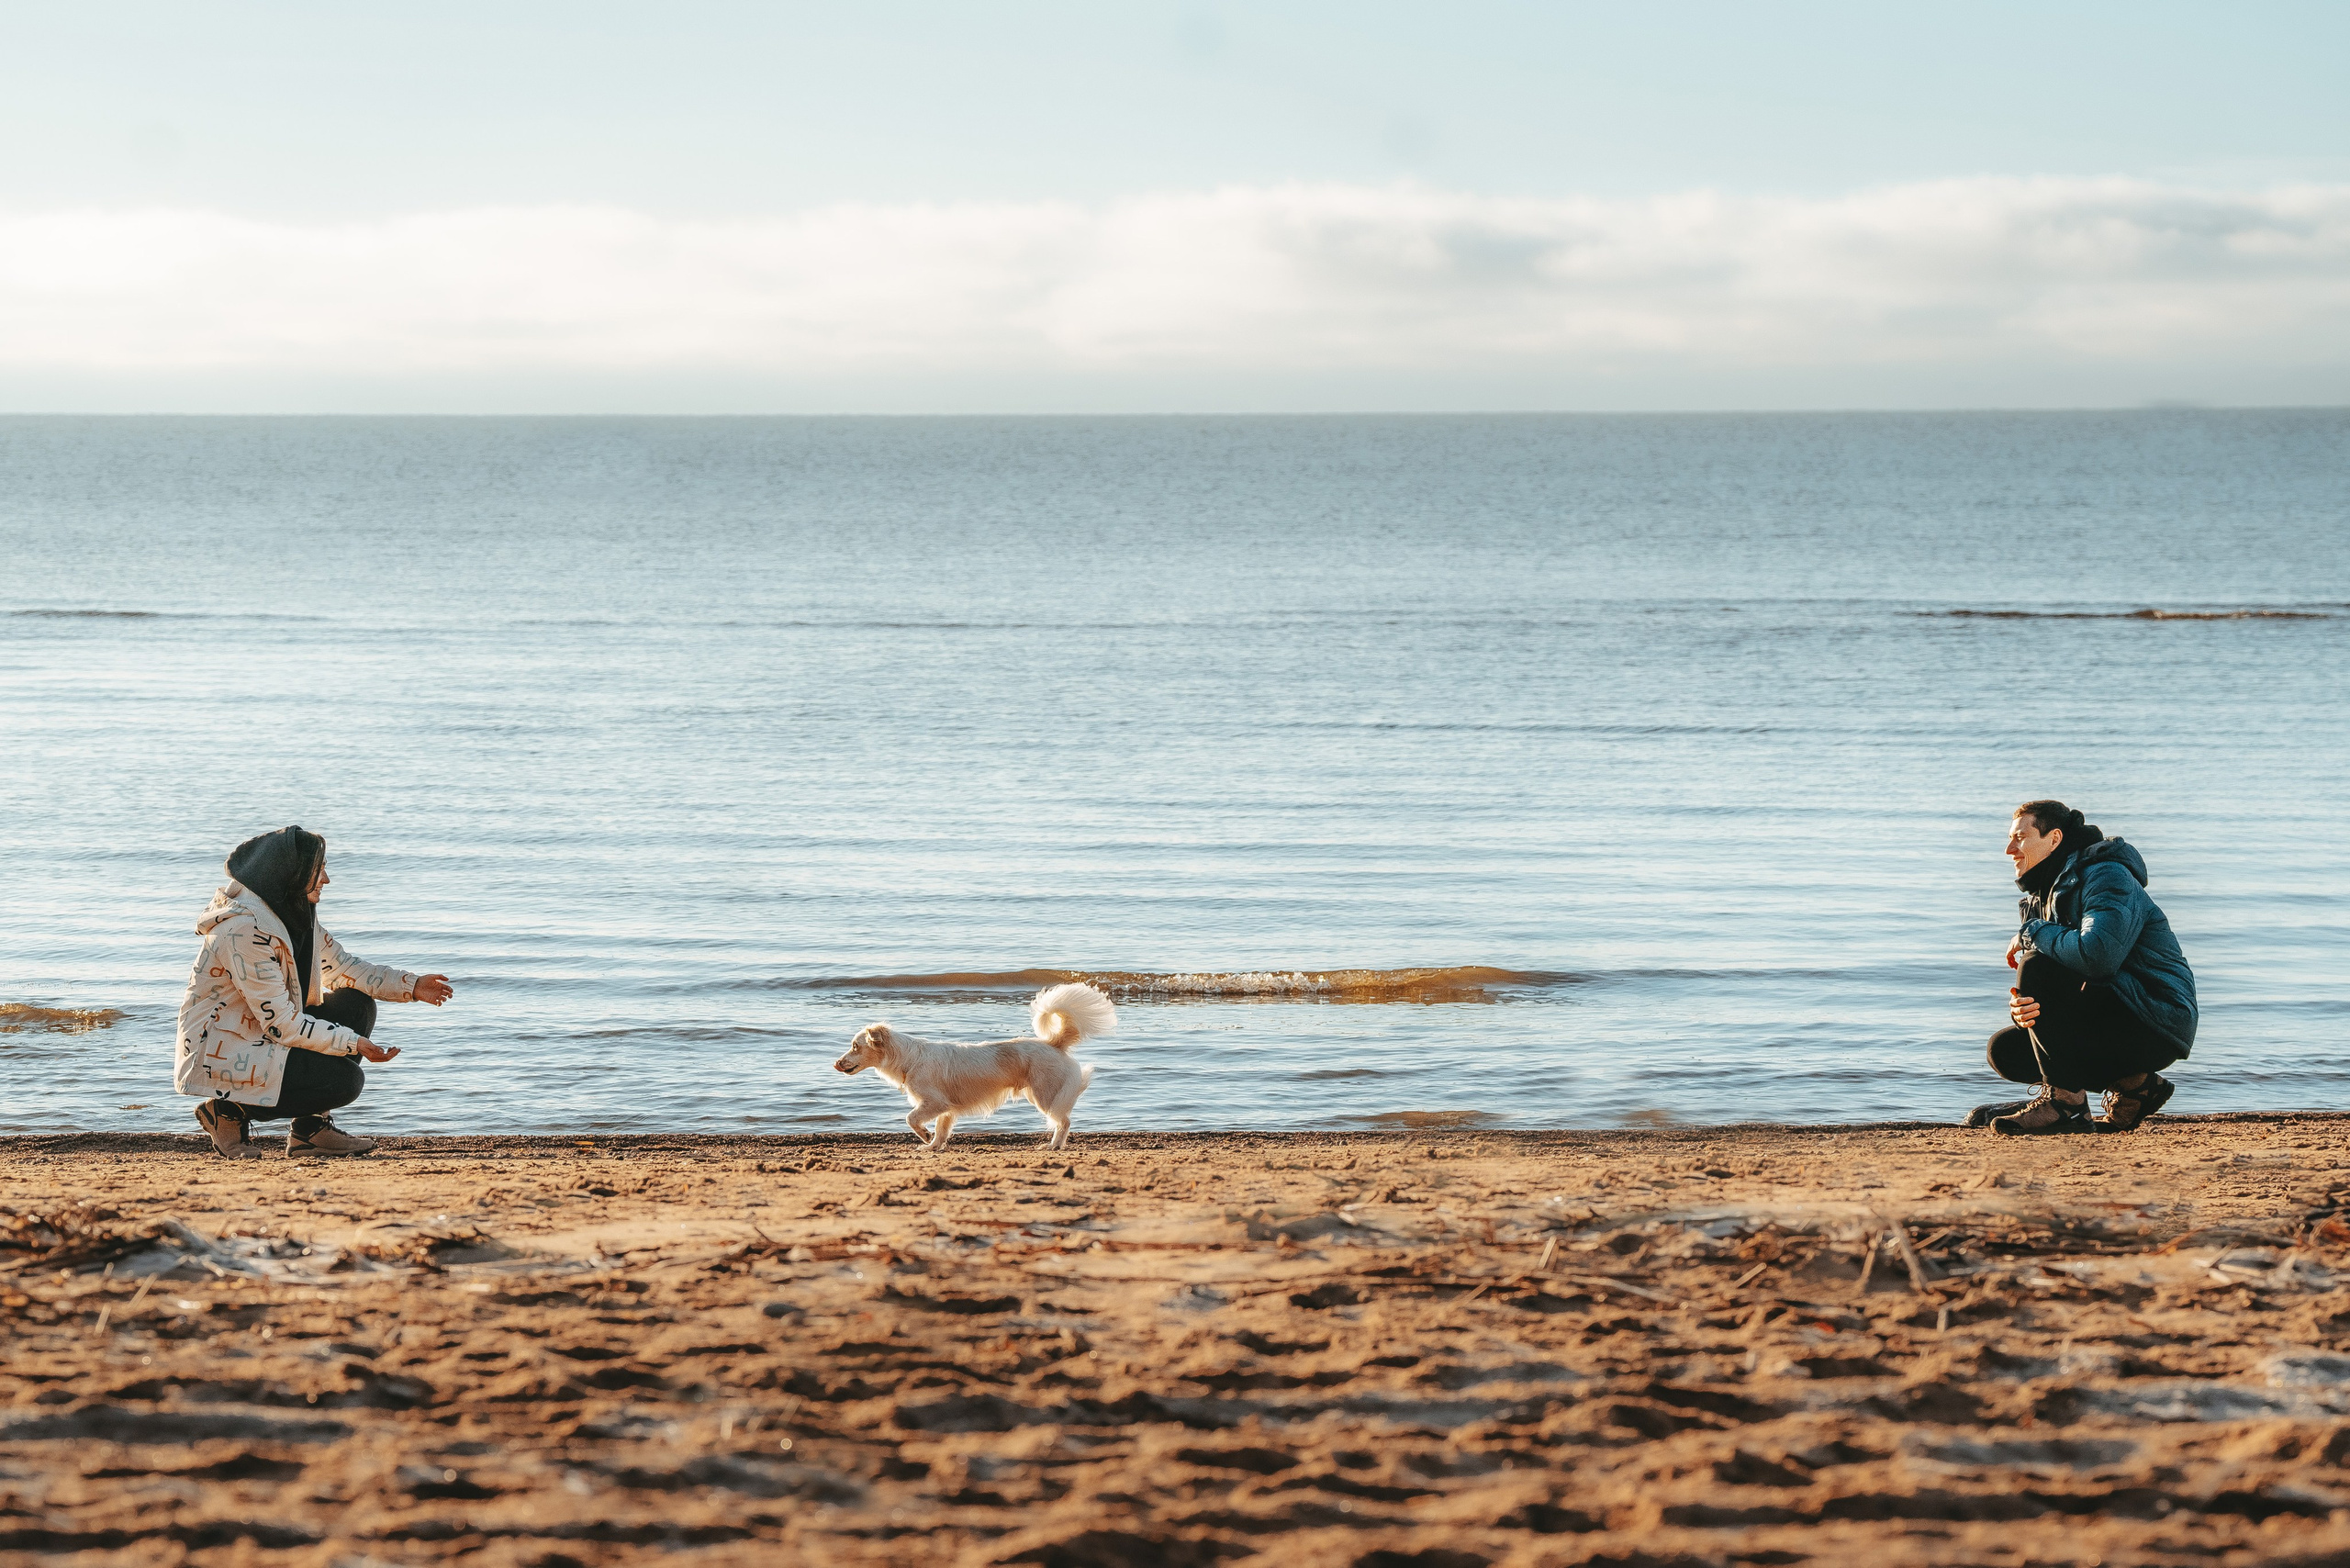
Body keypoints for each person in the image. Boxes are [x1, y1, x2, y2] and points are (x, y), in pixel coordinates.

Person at [174, 825, 453, 1158]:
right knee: (343, 1081)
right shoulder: (242, 931)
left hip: (264, 1038)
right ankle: (227, 1111)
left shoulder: (290, 916)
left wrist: (411, 986)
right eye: (318, 870)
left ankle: (311, 1133)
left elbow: (344, 969)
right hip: (226, 1053)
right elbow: (282, 1023)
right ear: (290, 874)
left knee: (356, 1003)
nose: (326, 880)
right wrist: (354, 1043)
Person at [1977, 801, 2197, 1136]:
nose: (2010, 849)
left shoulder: (2107, 875)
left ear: (2054, 839)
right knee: (2006, 1051)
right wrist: (2025, 1008)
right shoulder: (2044, 892)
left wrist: (2030, 933)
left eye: (2020, 838)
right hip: (2110, 1009)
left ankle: (2066, 1105)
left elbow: (2098, 956)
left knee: (2037, 962)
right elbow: (2065, 977)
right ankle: (2137, 1088)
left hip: (2155, 1017)